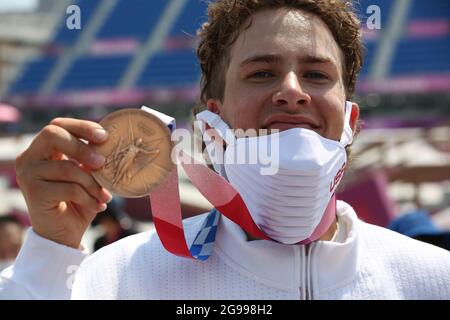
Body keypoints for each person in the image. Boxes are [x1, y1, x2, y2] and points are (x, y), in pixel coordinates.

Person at [1, 0, 450, 300]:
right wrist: (49, 256)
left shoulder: (433, 278)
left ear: (350, 121)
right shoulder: (120, 276)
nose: (292, 91)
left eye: (316, 74)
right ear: (211, 129)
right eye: (261, 74)